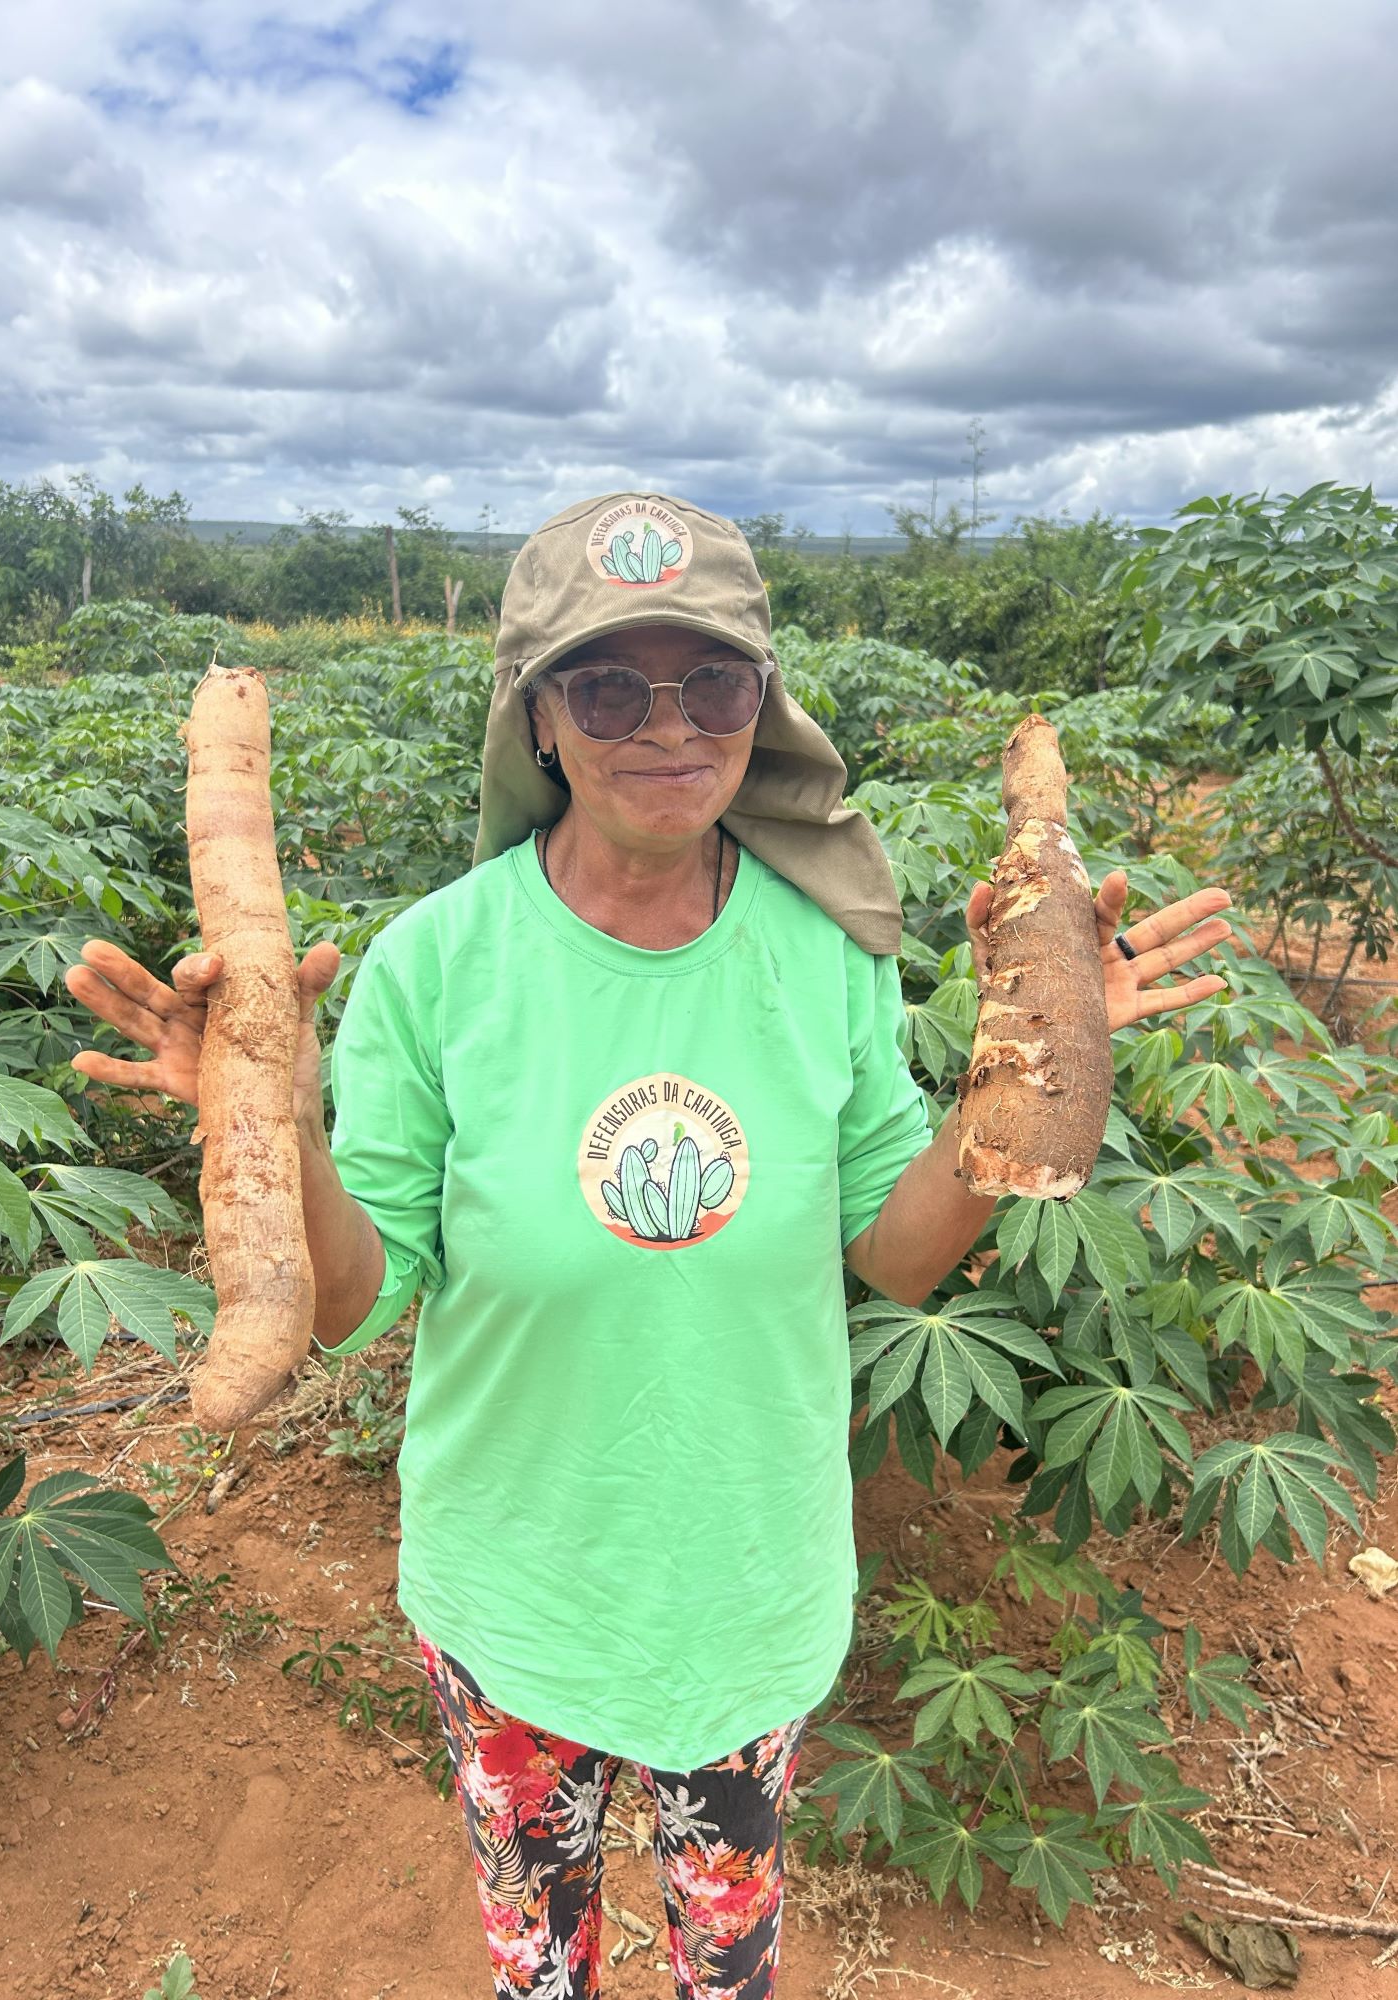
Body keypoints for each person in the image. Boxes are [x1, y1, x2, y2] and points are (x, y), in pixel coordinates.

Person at [66, 491, 1234, 2000]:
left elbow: (892, 1256)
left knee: (725, 1968)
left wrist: (1037, 1071)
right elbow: (358, 1304)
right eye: (611, 684)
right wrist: (275, 1115)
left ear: (764, 703)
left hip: (746, 1590)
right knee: (537, 1966)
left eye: (715, 683)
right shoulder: (438, 966)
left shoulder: (824, 959)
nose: (669, 724)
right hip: (516, 1593)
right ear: (540, 718)